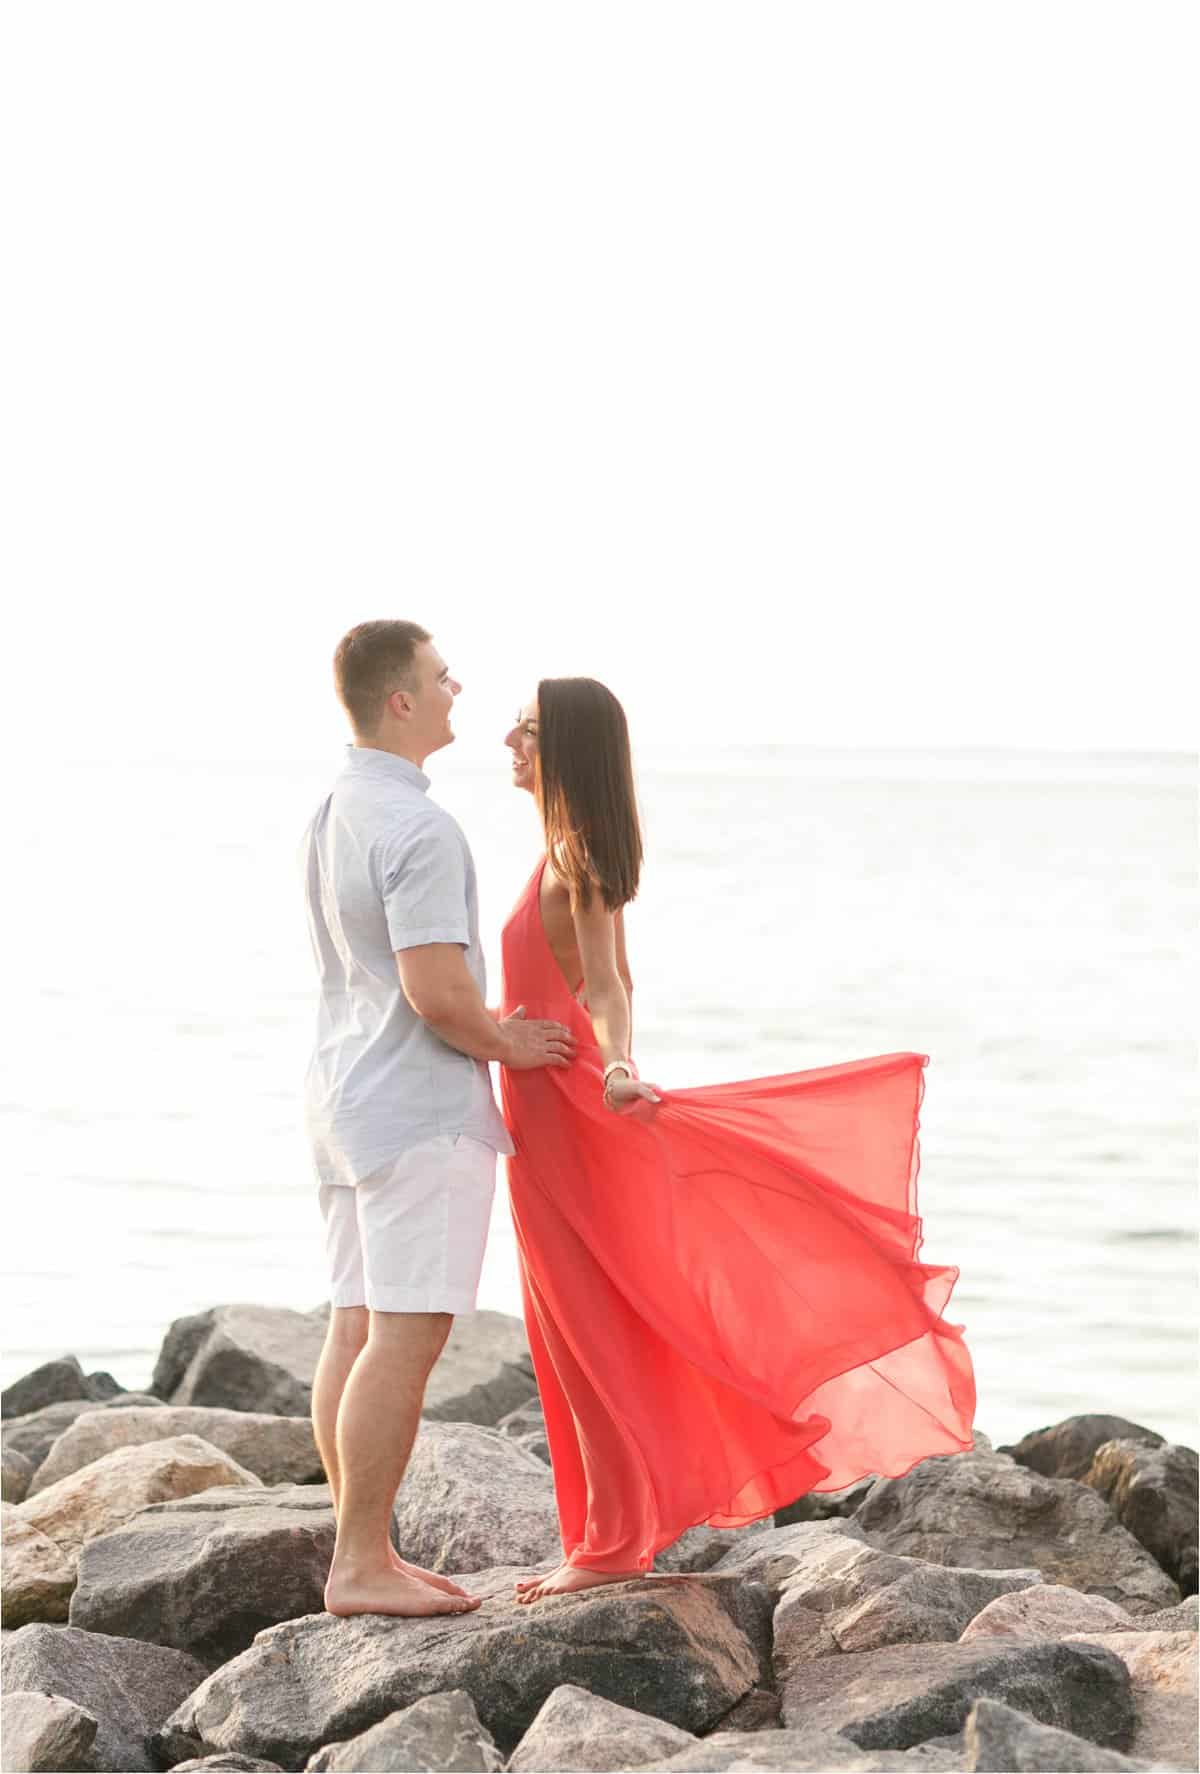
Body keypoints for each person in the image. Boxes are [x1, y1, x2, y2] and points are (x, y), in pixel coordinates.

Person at [499, 677, 976, 1604]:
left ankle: (609, 1542)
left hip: (567, 1116)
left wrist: (617, 1064)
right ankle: (611, 1532)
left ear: (564, 749)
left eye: (524, 730)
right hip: (537, 1114)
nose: (507, 742)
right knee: (571, 1325)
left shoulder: (575, 859)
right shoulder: (554, 854)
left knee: (589, 1326)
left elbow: (609, 985)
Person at [298, 620, 576, 1618]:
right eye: (440, 675)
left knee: (356, 1325)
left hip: (343, 1100)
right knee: (404, 1339)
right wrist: (511, 1043)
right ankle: (361, 1562)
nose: (458, 687)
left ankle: (356, 1543)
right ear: (401, 700)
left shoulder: (336, 808)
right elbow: (436, 989)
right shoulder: (420, 828)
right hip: (418, 1110)